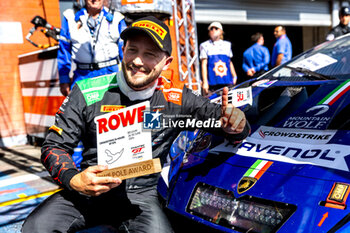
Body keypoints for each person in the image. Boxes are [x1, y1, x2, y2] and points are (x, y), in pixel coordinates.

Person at [22, 16, 250, 233]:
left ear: (166, 62)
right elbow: (54, 146)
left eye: (150, 54)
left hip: (141, 195)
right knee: (35, 227)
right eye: (132, 50)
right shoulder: (87, 91)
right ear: (123, 51)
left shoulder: (177, 98)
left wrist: (237, 124)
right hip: (89, 190)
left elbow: (226, 123)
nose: (138, 61)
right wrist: (74, 179)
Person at [58, 0, 127, 96]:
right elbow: (64, 51)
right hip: (82, 76)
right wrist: (64, 80)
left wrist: (127, 76)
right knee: (81, 109)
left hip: (110, 75)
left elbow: (126, 52)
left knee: (110, 109)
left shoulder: (116, 18)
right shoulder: (70, 17)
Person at [199, 22, 238, 96]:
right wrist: (205, 82)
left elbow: (229, 62)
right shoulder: (204, 45)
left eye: (216, 28)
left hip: (227, 80)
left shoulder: (227, 45)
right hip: (212, 82)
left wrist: (234, 75)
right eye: (211, 29)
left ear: (221, 32)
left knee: (228, 102)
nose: (213, 30)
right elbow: (204, 64)